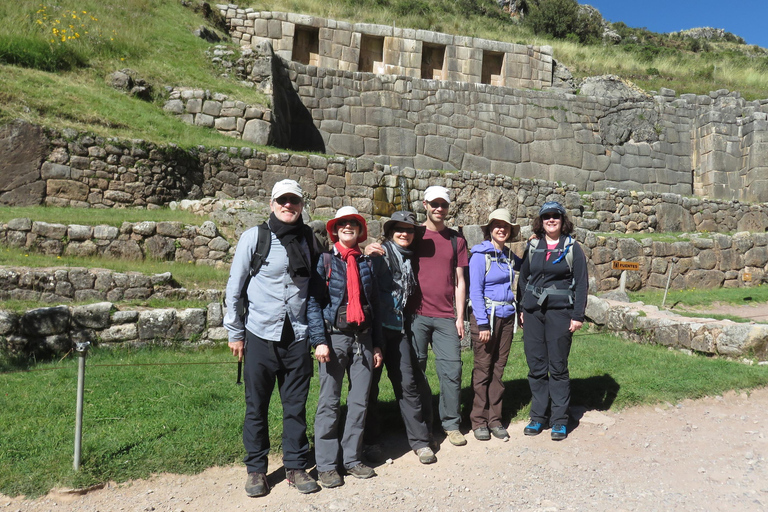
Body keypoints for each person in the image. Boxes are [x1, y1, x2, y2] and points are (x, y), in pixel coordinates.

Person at [224, 179, 321, 497]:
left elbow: (323, 279)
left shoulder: (309, 239)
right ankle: (256, 470)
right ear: (272, 203)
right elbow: (234, 287)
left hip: (297, 337)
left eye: (294, 200)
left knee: (295, 407)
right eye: (283, 200)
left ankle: (295, 466)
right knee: (256, 408)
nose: (288, 205)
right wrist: (235, 332)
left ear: (301, 205)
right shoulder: (255, 237)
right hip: (260, 336)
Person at [307, 206, 384, 488]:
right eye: (343, 224)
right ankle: (327, 465)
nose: (348, 227)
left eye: (353, 223)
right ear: (335, 230)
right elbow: (314, 303)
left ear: (360, 229)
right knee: (329, 402)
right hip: (334, 337)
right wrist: (319, 341)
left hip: (362, 339)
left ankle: (352, 458)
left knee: (359, 402)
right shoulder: (325, 261)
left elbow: (373, 306)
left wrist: (376, 344)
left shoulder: (366, 263)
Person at [363, 210, 437, 465]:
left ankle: (420, 442)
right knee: (370, 388)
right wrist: (365, 253)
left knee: (408, 384)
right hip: (375, 330)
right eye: (399, 229)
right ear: (390, 232)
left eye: (409, 230)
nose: (404, 233)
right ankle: (371, 441)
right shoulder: (379, 254)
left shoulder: (409, 258)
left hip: (398, 329)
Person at [517, 201, 588, 441]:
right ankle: (538, 417)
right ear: (541, 220)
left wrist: (577, 315)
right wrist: (522, 307)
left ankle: (559, 420)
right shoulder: (533, 245)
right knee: (536, 366)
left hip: (560, 313)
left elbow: (581, 283)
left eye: (555, 216)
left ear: (562, 220)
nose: (551, 219)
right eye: (546, 216)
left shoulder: (572, 248)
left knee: (557, 367)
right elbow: (523, 278)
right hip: (533, 314)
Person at [410, 186, 469, 447]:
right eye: (434, 204)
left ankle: (451, 423)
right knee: (415, 371)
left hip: (446, 315)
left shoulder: (457, 240)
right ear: (425, 204)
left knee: (452, 371)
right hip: (417, 315)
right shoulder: (414, 235)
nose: (439, 209)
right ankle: (422, 426)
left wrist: (459, 316)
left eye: (443, 205)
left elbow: (459, 281)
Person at [468, 208, 521, 442]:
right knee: (483, 369)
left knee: (499, 369)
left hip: (507, 316)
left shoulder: (509, 256)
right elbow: (475, 292)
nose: (501, 229)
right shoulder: (480, 255)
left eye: (506, 226)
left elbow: (528, 265)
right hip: (486, 318)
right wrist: (482, 324)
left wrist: (536, 242)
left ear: (510, 231)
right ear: (489, 229)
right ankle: (478, 420)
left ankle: (495, 419)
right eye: (497, 225)